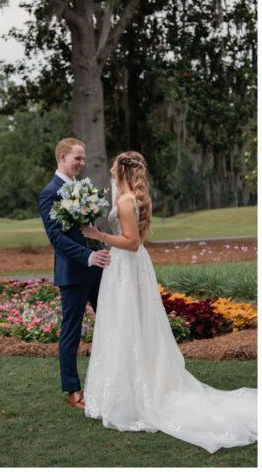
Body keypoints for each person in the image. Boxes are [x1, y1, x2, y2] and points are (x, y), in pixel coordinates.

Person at [80, 151, 257, 453]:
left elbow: (133, 244)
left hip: (127, 266)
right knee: (128, 326)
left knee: (128, 326)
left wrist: (99, 235)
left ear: (121, 169)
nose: (110, 171)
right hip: (125, 269)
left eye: (113, 167)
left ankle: (134, 393)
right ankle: (125, 386)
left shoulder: (124, 201)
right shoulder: (127, 197)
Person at [37, 137, 110, 409]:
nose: (82, 163)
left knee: (112, 322)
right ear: (62, 157)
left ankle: (115, 380)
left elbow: (87, 228)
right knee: (71, 332)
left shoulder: (81, 188)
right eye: (77, 158)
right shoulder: (50, 193)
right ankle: (72, 390)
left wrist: (100, 251)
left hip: (98, 268)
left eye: (83, 158)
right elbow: (56, 237)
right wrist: (87, 256)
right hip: (74, 273)